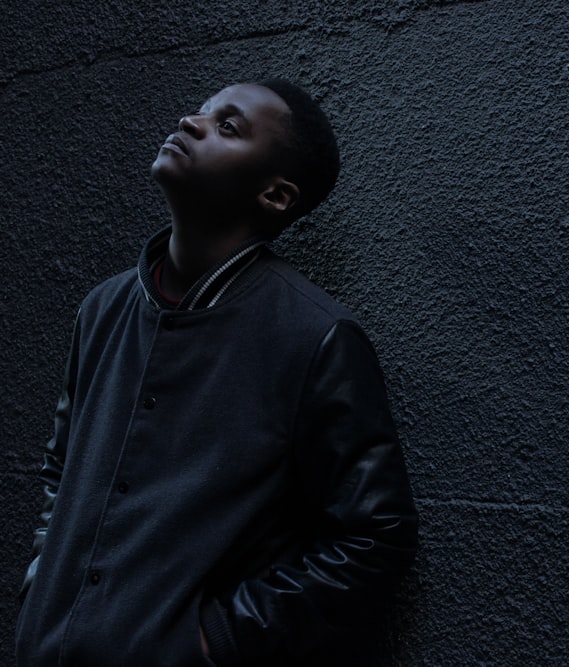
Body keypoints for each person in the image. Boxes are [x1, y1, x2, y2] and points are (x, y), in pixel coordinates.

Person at [15, 79, 419, 667]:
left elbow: (376, 536)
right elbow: (60, 467)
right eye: (202, 110)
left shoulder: (315, 336)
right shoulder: (101, 308)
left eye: (227, 126)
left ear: (276, 196)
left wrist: (221, 639)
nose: (190, 121)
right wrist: (42, 579)